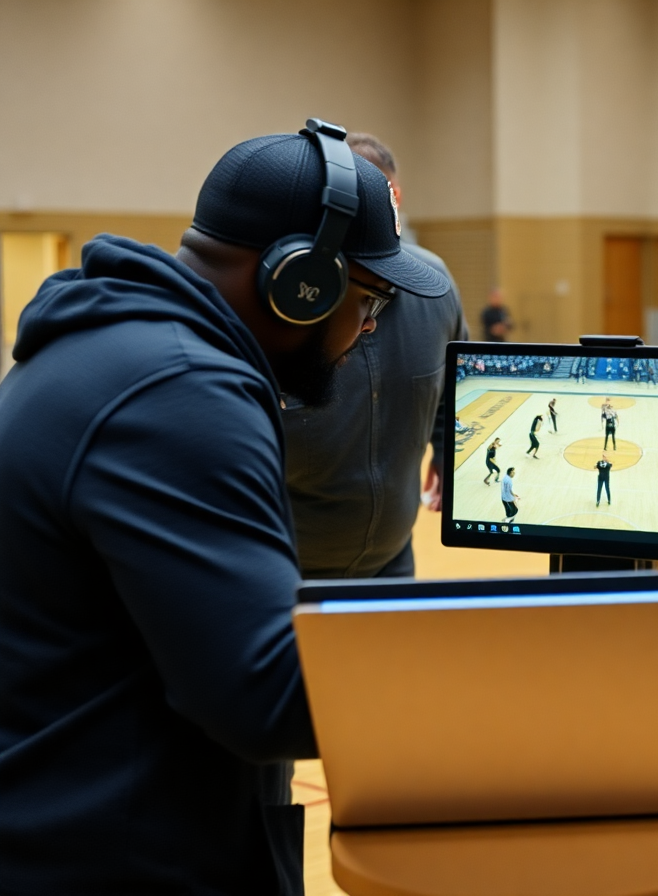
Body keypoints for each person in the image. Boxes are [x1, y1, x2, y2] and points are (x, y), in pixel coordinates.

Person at [0, 121, 451, 893]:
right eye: (368, 300)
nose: (368, 328)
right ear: (301, 282)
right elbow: (270, 697)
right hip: (104, 858)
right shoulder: (181, 394)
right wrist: (520, 664)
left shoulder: (116, 347)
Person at [281, 132, 468, 579]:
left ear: (394, 199)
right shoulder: (280, 311)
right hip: (285, 571)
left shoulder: (436, 286)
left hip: (392, 562)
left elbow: (452, 385)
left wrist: (447, 451)